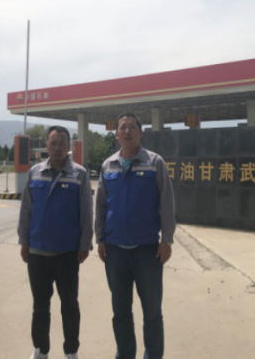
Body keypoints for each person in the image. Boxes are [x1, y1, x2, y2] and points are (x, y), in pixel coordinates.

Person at [96, 113, 177, 359]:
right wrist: (101, 238)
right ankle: (125, 354)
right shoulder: (108, 165)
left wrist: (167, 240)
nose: (127, 131)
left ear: (141, 132)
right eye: (123, 127)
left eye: (132, 127)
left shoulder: (155, 162)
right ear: (116, 134)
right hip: (115, 251)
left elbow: (167, 203)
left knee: (152, 312)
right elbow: (101, 205)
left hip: (147, 251)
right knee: (120, 312)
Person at [18, 126, 93, 359]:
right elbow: (26, 209)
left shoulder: (79, 174)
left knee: (70, 305)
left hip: (67, 253)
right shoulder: (35, 172)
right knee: (40, 306)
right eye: (53, 143)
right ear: (46, 146)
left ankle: (71, 350)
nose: (57, 148)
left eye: (62, 143)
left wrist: (85, 244)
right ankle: (41, 349)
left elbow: (86, 212)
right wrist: (24, 241)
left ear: (69, 147)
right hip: (38, 252)